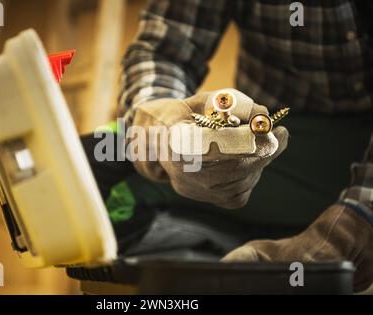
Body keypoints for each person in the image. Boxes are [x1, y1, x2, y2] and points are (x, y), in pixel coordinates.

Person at [112, 0, 372, 292]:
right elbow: (165, 50)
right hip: (267, 152)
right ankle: (242, 246)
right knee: (105, 165)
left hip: (358, 160)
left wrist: (357, 223)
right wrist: (161, 124)